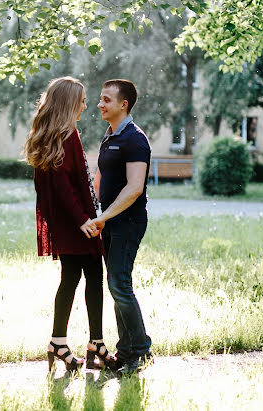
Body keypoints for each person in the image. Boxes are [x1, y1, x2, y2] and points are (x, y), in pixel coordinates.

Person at [23, 76, 114, 373]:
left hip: (68, 221)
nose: (87, 105)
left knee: (73, 277)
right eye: (83, 100)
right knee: (92, 277)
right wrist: (84, 220)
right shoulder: (66, 135)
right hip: (77, 222)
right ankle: (95, 343)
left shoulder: (50, 134)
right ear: (68, 103)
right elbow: (63, 186)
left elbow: (59, 187)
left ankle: (60, 343)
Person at [91, 79, 152, 375]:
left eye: (106, 100)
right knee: (117, 287)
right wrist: (94, 213)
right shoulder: (109, 136)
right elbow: (100, 179)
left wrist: (104, 217)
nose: (100, 104)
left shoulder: (135, 139)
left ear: (123, 104)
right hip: (110, 221)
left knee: (119, 284)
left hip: (128, 222)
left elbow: (134, 188)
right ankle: (125, 352)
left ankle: (140, 351)